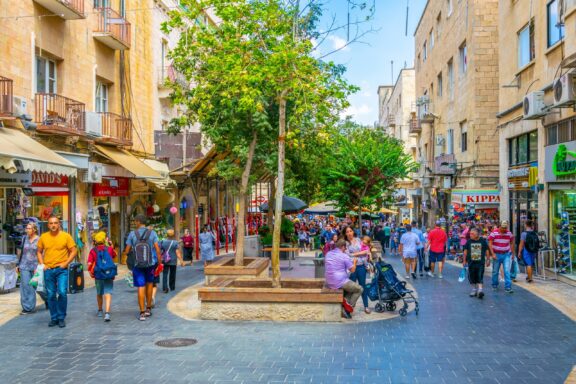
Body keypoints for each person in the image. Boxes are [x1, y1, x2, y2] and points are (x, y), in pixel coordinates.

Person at [37, 215, 77, 328]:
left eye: (55, 223)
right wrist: (42, 264)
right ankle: (54, 317)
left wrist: (66, 263)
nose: (53, 225)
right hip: (48, 269)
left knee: (62, 292)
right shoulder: (43, 237)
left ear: (59, 224)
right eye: (51, 223)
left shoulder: (66, 236)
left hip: (61, 269)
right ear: (48, 225)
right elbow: (39, 252)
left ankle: (61, 317)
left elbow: (73, 251)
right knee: (50, 294)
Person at [123, 215, 162, 321]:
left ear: (138, 222)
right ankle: (148, 308)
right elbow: (158, 249)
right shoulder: (152, 233)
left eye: (136, 221)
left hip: (137, 264)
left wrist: (127, 255)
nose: (135, 223)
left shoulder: (132, 234)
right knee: (149, 284)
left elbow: (127, 250)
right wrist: (159, 262)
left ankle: (142, 312)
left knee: (141, 286)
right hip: (150, 263)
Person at [324, 239, 362, 319]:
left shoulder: (328, 254)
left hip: (328, 281)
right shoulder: (344, 256)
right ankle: (347, 310)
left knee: (350, 289)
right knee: (359, 289)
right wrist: (354, 262)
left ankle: (345, 302)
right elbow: (352, 270)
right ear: (343, 247)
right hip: (339, 281)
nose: (346, 250)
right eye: (345, 248)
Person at [87, 231, 117, 322]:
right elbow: (115, 255)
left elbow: (89, 263)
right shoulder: (109, 249)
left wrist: (90, 272)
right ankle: (107, 313)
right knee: (108, 292)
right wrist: (111, 245)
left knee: (99, 292)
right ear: (105, 239)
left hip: (98, 274)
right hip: (108, 274)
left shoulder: (93, 251)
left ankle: (100, 310)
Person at [343, 225, 371, 314]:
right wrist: (359, 254)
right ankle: (349, 307)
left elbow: (366, 251)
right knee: (352, 288)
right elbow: (348, 256)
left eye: (350, 231)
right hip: (352, 267)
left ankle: (366, 306)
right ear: (345, 233)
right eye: (347, 232)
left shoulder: (359, 240)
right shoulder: (346, 243)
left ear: (353, 231)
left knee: (363, 286)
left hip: (362, 267)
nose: (349, 233)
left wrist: (354, 254)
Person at [17, 222, 43, 314]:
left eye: (29, 228)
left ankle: (49, 299)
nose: (27, 230)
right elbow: (20, 252)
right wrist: (18, 264)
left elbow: (42, 253)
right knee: (26, 287)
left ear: (34, 229)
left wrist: (40, 266)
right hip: (24, 265)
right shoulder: (24, 238)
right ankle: (28, 308)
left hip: (36, 266)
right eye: (26, 228)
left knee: (39, 287)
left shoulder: (39, 240)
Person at [463, 228, 491, 299]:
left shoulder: (483, 241)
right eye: (470, 234)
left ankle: (480, 291)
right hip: (471, 263)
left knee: (480, 275)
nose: (470, 235)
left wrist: (488, 259)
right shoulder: (468, 241)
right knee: (471, 276)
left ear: (477, 234)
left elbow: (487, 250)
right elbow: (465, 251)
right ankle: (474, 289)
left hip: (480, 262)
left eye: (472, 234)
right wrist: (464, 261)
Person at [488, 220, 515, 293]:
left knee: (507, 271)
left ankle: (508, 287)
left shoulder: (509, 233)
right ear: (499, 226)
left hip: (506, 254)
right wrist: (493, 254)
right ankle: (494, 285)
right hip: (496, 254)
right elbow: (490, 243)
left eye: (505, 228)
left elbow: (512, 243)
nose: (504, 229)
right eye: (503, 227)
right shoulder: (493, 233)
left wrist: (513, 254)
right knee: (495, 271)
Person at [160, 229, 184, 293]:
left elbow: (160, 251)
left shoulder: (162, 242)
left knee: (165, 274)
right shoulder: (175, 242)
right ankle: (172, 287)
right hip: (173, 261)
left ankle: (165, 288)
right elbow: (177, 252)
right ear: (173, 235)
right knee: (172, 274)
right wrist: (181, 261)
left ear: (167, 235)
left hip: (165, 260)